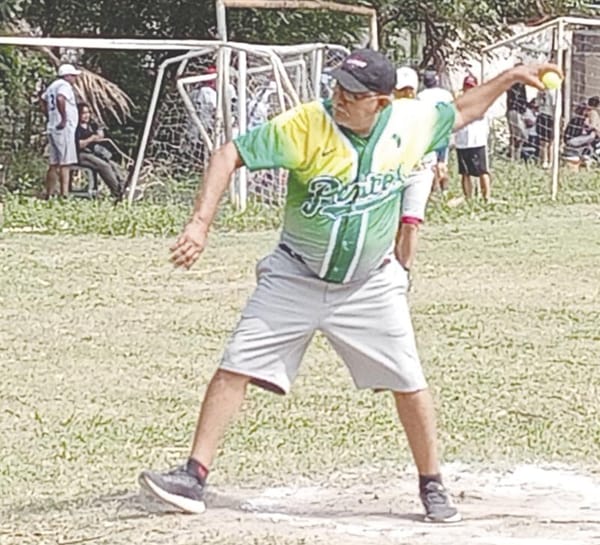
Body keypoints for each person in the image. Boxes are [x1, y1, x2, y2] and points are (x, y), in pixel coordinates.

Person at [138, 48, 560, 523]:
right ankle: (193, 475)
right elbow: (228, 154)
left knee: (409, 381)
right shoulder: (305, 125)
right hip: (294, 275)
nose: (340, 97)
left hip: (370, 284)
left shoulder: (410, 121)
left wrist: (510, 77)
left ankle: (432, 484)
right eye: (338, 87)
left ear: (380, 103)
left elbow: (464, 109)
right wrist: (200, 224)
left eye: (353, 94)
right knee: (235, 366)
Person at [393, 66, 436, 272]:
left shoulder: (424, 111)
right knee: (392, 224)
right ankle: (390, 266)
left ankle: (404, 270)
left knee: (410, 221)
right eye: (402, 90)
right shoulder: (386, 112)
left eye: (410, 90)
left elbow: (440, 135)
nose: (406, 94)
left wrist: (441, 161)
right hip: (392, 172)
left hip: (419, 171)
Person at [40, 63, 81, 198]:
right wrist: (63, 119)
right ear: (67, 76)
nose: (75, 79)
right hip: (63, 129)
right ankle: (64, 194)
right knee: (65, 163)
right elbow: (60, 98)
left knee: (54, 163)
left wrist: (49, 116)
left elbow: (43, 100)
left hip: (53, 127)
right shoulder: (64, 86)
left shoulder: (53, 86)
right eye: (73, 76)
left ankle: (49, 193)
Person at [75, 103, 126, 200]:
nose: (86, 115)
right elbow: (78, 144)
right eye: (83, 113)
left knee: (112, 164)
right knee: (104, 166)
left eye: (88, 113)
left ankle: (123, 185)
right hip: (81, 154)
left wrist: (99, 129)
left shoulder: (90, 126)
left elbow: (100, 137)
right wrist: (91, 139)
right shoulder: (76, 128)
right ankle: (117, 192)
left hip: (93, 152)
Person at [417, 68, 454, 194]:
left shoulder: (421, 96)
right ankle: (444, 189)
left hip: (428, 133)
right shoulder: (446, 94)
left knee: (430, 163)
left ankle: (433, 189)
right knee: (442, 162)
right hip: (443, 132)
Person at [455, 75, 492, 201]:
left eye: (471, 87)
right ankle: (468, 198)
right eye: (467, 87)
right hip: (462, 142)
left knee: (482, 171)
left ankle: (486, 197)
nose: (469, 90)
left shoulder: (482, 101)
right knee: (465, 173)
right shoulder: (459, 101)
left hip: (477, 141)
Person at [506, 70, 528, 160]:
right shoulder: (514, 84)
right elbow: (514, 99)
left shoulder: (522, 85)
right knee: (517, 135)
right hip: (514, 111)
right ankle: (512, 155)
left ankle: (516, 155)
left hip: (520, 111)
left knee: (520, 136)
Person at [535, 89, 555, 168]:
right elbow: (537, 104)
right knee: (543, 142)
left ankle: (551, 161)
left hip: (550, 116)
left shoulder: (554, 91)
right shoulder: (539, 92)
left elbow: (554, 105)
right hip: (542, 115)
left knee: (550, 142)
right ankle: (544, 160)